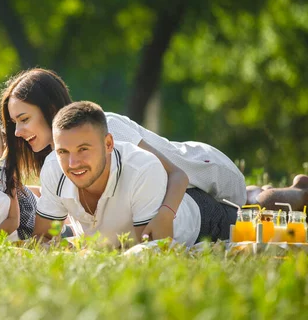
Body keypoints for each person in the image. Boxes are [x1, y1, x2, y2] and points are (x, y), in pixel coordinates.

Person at [0, 68, 247, 240]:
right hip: (165, 196)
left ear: (50, 109)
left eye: (24, 119)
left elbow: (178, 175)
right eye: (14, 123)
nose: (18, 131)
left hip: (203, 173)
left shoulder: (109, 128)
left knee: (260, 205)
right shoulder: (57, 160)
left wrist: (165, 215)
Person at [33, 102, 237, 246]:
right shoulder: (54, 169)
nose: (73, 163)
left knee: (257, 219)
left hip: (200, 219)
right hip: (131, 216)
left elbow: (146, 251)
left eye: (83, 149)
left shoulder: (141, 168)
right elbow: (42, 239)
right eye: (63, 151)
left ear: (108, 144)